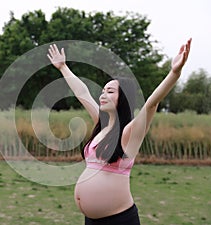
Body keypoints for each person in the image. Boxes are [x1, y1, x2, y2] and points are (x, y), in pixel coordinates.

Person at [47, 38, 192, 225]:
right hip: (91, 220)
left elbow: (151, 104)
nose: (103, 94)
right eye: (103, 90)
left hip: (119, 220)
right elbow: (82, 93)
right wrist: (63, 67)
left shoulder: (128, 133)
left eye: (110, 91)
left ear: (123, 98)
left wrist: (174, 72)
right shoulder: (102, 125)